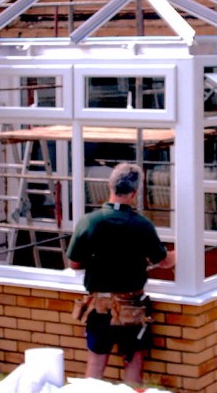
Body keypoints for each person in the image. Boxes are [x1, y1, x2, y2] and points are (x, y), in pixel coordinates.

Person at [66, 163, 176, 386]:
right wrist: (179, 252)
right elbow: (163, 262)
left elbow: (74, 263)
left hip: (99, 305)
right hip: (132, 304)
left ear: (110, 186)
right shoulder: (142, 226)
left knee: (96, 362)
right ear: (134, 193)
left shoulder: (90, 222)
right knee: (133, 360)